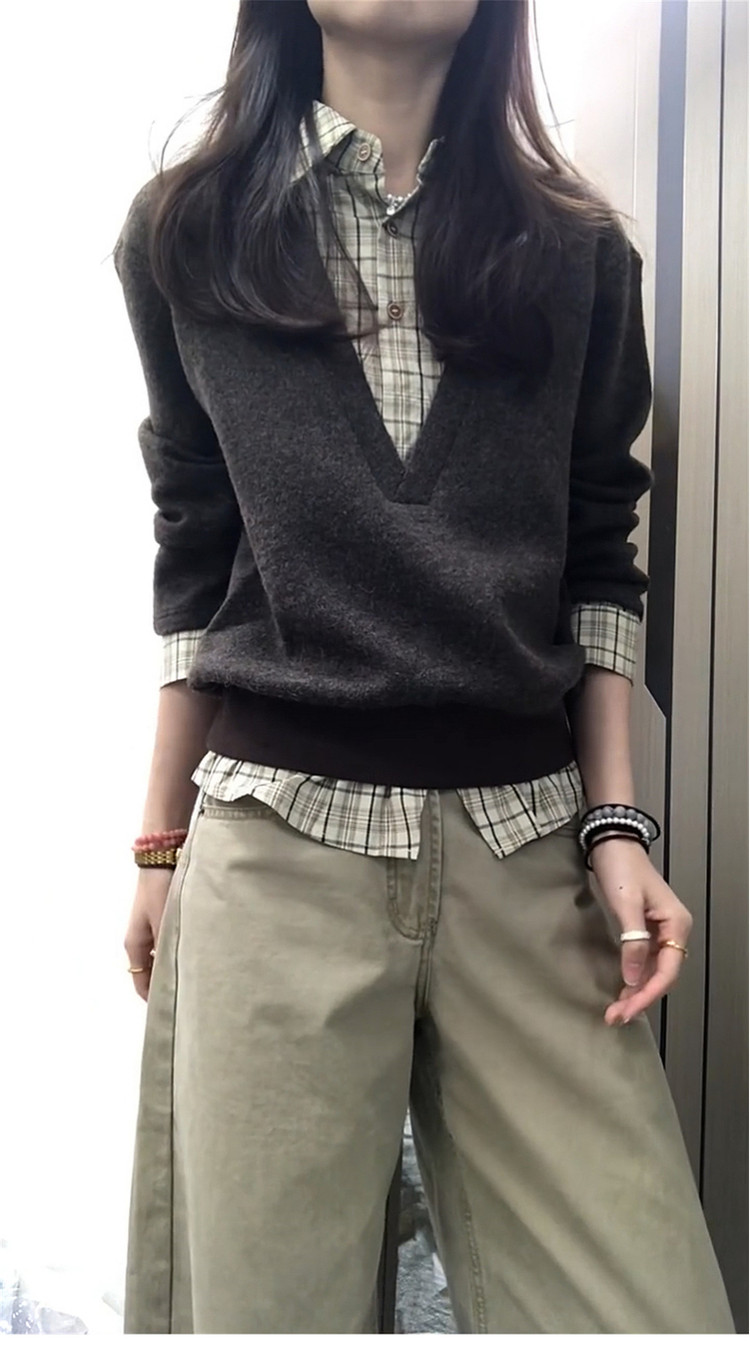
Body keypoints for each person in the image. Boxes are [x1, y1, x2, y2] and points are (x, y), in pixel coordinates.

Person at [113, 0, 734, 1335]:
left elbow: (598, 555)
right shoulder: (185, 235)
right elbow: (196, 548)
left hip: (527, 850)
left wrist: (616, 825)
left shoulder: (578, 256)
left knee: (649, 1317)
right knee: (263, 1320)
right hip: (275, 851)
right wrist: (159, 849)